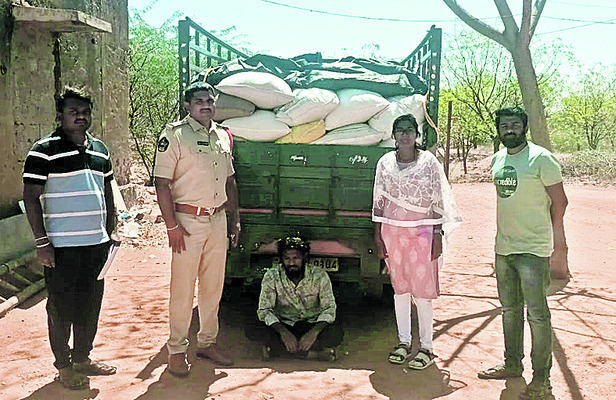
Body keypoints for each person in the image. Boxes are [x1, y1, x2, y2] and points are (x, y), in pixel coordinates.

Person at [22, 87, 117, 390]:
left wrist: (111, 231)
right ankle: (63, 365)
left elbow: (108, 194)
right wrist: (42, 243)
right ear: (60, 116)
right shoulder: (43, 150)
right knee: (61, 308)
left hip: (96, 245)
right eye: (73, 111)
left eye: (85, 111)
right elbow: (31, 198)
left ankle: (83, 358)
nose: (81, 116)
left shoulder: (101, 150)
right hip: (61, 248)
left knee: (91, 304)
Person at [478, 107, 568, 400]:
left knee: (538, 317)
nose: (510, 129)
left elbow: (560, 202)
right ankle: (512, 363)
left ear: (525, 127)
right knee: (509, 311)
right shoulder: (497, 158)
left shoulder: (542, 159)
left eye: (516, 124)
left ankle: (542, 381)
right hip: (504, 249)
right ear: (499, 130)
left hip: (533, 250)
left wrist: (558, 247)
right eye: (505, 125)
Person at [154, 81, 241, 376]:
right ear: (188, 106)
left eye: (210, 100)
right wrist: (171, 227)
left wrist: (234, 218)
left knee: (213, 286)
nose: (206, 104)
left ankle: (207, 341)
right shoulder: (175, 135)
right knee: (182, 289)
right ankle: (177, 350)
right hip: (187, 223)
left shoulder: (223, 136)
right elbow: (161, 184)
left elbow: (230, 180)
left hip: (217, 220)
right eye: (199, 100)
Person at [372, 114, 461, 370]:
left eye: (409, 130)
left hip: (422, 234)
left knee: (422, 292)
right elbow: (379, 201)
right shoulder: (385, 163)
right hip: (393, 233)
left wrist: (436, 235)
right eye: (399, 130)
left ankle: (426, 347)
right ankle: (403, 342)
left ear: (417, 135)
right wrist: (378, 236)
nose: (404, 135)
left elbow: (436, 199)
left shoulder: (428, 162)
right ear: (393, 135)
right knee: (400, 290)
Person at [256, 235, 344, 361]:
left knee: (335, 332)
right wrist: (283, 333)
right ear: (281, 259)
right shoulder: (272, 276)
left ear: (304, 258)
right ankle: (315, 354)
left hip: (311, 323)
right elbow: (264, 310)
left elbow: (329, 309)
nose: (291, 263)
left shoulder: (319, 275)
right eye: (287, 258)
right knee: (255, 327)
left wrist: (313, 333)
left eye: (296, 258)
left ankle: (279, 352)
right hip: (284, 323)